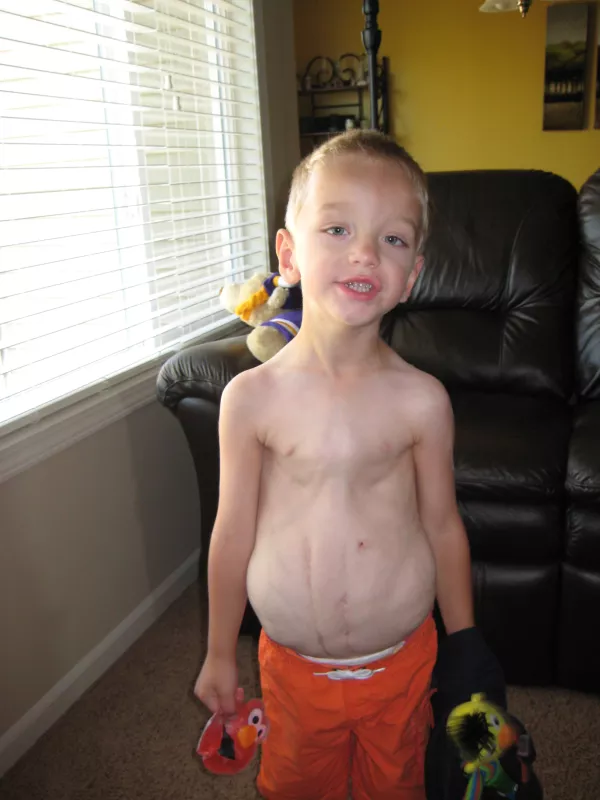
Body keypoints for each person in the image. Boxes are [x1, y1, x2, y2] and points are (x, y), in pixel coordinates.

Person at [194, 130, 476, 800]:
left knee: (399, 786)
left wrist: (467, 646)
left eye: (393, 238)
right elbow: (231, 533)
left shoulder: (423, 401)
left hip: (401, 668)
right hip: (293, 673)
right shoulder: (249, 399)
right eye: (338, 228)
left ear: (412, 275)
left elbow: (443, 528)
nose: (365, 252)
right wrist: (218, 651)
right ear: (288, 255)